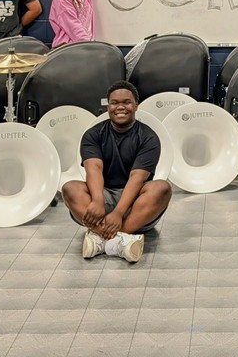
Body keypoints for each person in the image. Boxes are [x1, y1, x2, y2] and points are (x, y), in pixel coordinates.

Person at [61, 80, 172, 263]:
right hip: (103, 198)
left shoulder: (148, 137)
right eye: (115, 103)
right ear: (108, 106)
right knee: (70, 188)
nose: (120, 107)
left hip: (135, 204)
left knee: (162, 188)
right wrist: (97, 200)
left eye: (126, 102)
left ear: (136, 105)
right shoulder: (93, 134)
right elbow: (94, 168)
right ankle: (121, 242)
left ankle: (102, 239)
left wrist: (119, 212)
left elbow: (137, 178)